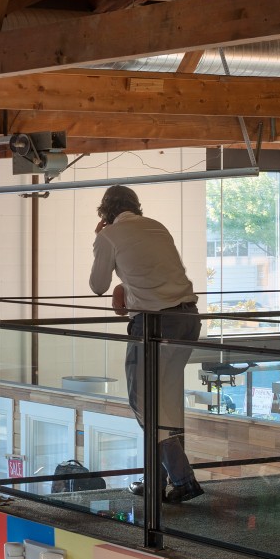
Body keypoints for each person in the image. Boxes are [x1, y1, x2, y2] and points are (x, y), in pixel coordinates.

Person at [87, 184, 204, 504]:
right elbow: (150, 270)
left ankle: (183, 479)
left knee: (145, 404)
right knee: (166, 402)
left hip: (154, 325)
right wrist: (127, 285)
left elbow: (98, 285)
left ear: (105, 213)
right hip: (188, 320)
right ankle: (156, 481)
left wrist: (98, 239)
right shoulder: (157, 226)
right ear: (135, 207)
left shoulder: (108, 235)